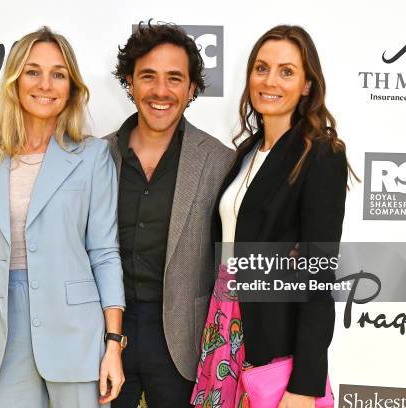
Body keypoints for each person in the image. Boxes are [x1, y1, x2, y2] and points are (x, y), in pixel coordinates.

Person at [0, 26, 126, 408]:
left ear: (71, 86)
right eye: (33, 71)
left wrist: (112, 345)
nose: (45, 84)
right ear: (15, 81)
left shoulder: (92, 157)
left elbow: (105, 252)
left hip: (77, 334)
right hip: (4, 337)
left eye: (58, 74)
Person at [192, 25, 357, 408]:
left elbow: (318, 276)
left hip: (271, 341)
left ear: (306, 86)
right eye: (261, 68)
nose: (270, 80)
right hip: (224, 323)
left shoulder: (320, 154)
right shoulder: (246, 152)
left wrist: (304, 384)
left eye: (286, 71)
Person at [105, 21, 233, 408]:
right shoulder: (95, 157)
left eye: (174, 78)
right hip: (105, 339)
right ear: (130, 81)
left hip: (184, 343)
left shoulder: (220, 162)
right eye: (148, 77)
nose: (161, 91)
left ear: (192, 87)